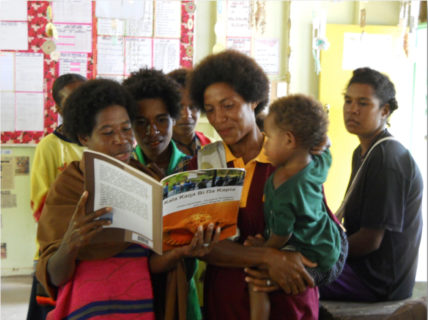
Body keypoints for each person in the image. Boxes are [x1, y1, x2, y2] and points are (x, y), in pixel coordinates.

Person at [36, 79, 219, 320]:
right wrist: (71, 243)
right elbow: (55, 275)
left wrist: (180, 252)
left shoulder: (147, 179)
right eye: (108, 132)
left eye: (126, 129)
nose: (121, 139)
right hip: (90, 311)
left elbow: (149, 264)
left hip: (141, 309)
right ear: (83, 137)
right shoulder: (68, 186)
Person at [187, 49, 346, 319]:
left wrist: (297, 273)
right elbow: (206, 247)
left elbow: (326, 237)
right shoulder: (204, 166)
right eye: (210, 110)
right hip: (228, 306)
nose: (218, 118)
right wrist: (269, 257)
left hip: (290, 302)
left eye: (228, 105)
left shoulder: (292, 159)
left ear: (253, 100)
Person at [319, 67, 423, 302]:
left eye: (363, 103)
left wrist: (318, 256)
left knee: (290, 279)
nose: (352, 109)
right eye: (348, 101)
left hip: (378, 281)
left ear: (384, 110)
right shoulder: (365, 152)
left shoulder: (388, 159)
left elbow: (370, 241)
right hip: (360, 268)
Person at [123, 68, 214, 320]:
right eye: (141, 122)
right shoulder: (123, 172)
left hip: (187, 283)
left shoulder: (195, 169)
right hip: (135, 286)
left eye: (162, 119)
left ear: (174, 118)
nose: (153, 131)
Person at [245, 95, 342, 320]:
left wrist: (265, 249)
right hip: (328, 243)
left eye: (269, 138)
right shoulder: (316, 166)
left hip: (307, 250)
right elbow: (326, 150)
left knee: (257, 276)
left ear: (289, 140)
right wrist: (322, 140)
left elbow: (282, 234)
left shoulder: (284, 188)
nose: (265, 144)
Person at [28, 73, 86, 320]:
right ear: (60, 108)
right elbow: (41, 205)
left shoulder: (97, 141)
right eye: (72, 102)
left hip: (91, 249)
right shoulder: (50, 146)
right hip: (58, 248)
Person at [167, 68, 211, 156]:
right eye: (179, 107)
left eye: (193, 107)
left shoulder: (210, 146)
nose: (187, 115)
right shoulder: (158, 152)